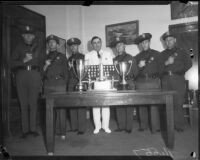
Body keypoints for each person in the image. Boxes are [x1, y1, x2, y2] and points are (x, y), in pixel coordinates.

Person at [11, 25, 45, 138]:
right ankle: (25, 130)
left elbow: (41, 63)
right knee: (23, 104)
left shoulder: (39, 48)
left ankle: (33, 129)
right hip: (21, 76)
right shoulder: (18, 47)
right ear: (22, 35)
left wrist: (41, 77)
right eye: (26, 34)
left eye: (30, 34)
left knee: (33, 103)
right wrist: (23, 61)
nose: (28, 36)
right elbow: (11, 63)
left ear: (34, 36)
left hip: (35, 76)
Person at [159, 31, 192, 132]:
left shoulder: (182, 51)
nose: (168, 42)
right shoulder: (162, 54)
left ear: (175, 40)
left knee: (178, 103)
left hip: (178, 79)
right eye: (166, 40)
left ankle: (179, 126)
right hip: (165, 80)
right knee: (167, 104)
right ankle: (169, 126)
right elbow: (159, 68)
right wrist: (167, 62)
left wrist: (179, 72)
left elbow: (189, 63)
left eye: (170, 39)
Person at [85, 36, 114, 134]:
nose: (96, 44)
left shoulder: (107, 53)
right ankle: (97, 126)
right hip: (95, 83)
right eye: (94, 43)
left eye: (98, 42)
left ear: (101, 43)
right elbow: (87, 70)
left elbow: (110, 67)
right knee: (96, 105)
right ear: (92, 44)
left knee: (106, 105)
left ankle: (105, 126)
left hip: (105, 83)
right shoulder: (88, 55)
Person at [43, 34, 69, 139]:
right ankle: (51, 131)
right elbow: (41, 73)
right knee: (49, 110)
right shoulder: (44, 57)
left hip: (59, 85)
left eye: (53, 42)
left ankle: (62, 132)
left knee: (61, 110)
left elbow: (66, 72)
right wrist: (45, 65)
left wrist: (64, 84)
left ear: (57, 45)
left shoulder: (62, 56)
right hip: (48, 85)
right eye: (49, 42)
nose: (51, 44)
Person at [134, 33, 161, 133]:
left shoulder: (157, 54)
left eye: (146, 42)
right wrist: (139, 66)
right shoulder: (137, 57)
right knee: (142, 104)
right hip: (140, 82)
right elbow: (134, 72)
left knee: (154, 105)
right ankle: (143, 125)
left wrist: (158, 79)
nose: (144, 44)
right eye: (142, 43)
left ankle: (155, 127)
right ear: (140, 45)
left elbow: (161, 69)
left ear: (149, 42)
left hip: (153, 81)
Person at [112, 37, 138, 133]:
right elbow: (113, 73)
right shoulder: (114, 60)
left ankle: (129, 127)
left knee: (129, 105)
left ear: (124, 46)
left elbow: (135, 72)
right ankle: (121, 126)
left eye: (121, 45)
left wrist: (128, 79)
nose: (119, 47)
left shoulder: (130, 58)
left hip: (129, 83)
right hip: (118, 84)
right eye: (117, 45)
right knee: (119, 105)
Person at [67, 37, 87, 135]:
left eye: (74, 45)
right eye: (71, 46)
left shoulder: (83, 57)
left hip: (79, 81)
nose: (73, 47)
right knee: (72, 105)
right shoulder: (69, 58)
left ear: (78, 46)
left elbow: (84, 72)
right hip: (71, 82)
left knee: (80, 104)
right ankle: (73, 127)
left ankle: (81, 128)